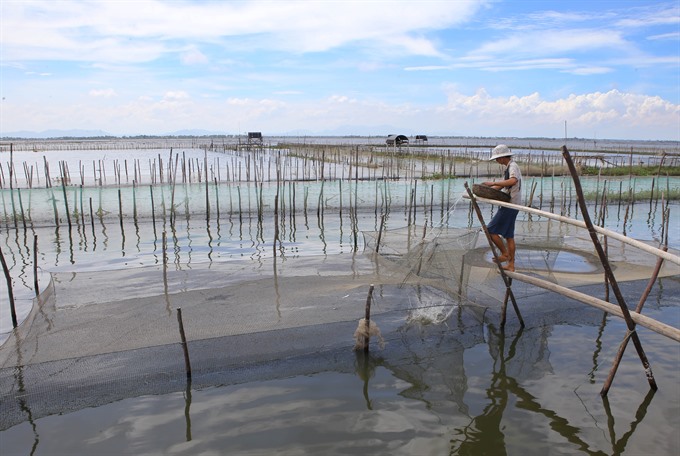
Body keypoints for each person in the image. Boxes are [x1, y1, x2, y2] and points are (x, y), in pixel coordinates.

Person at [481, 144, 522, 272]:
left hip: (510, 205)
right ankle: (511, 265)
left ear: (503, 157)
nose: (497, 161)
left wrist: (493, 183)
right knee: (509, 236)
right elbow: (502, 186)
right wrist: (487, 191)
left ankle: (505, 253)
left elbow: (513, 181)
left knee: (490, 230)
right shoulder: (508, 168)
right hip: (512, 204)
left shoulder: (513, 166)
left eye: (497, 159)